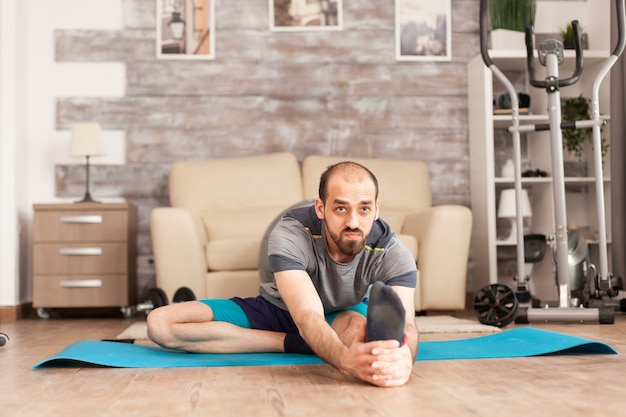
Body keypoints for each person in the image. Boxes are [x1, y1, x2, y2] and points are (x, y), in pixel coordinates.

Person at [147, 161, 419, 387]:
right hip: (277, 309)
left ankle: (310, 342)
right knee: (160, 324)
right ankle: (287, 343)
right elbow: (307, 316)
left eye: (364, 208)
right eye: (340, 208)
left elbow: (407, 325)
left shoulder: (392, 251)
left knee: (360, 334)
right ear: (321, 208)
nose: (353, 222)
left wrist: (404, 358)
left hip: (341, 313)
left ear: (376, 209)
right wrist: (346, 361)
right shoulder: (289, 232)